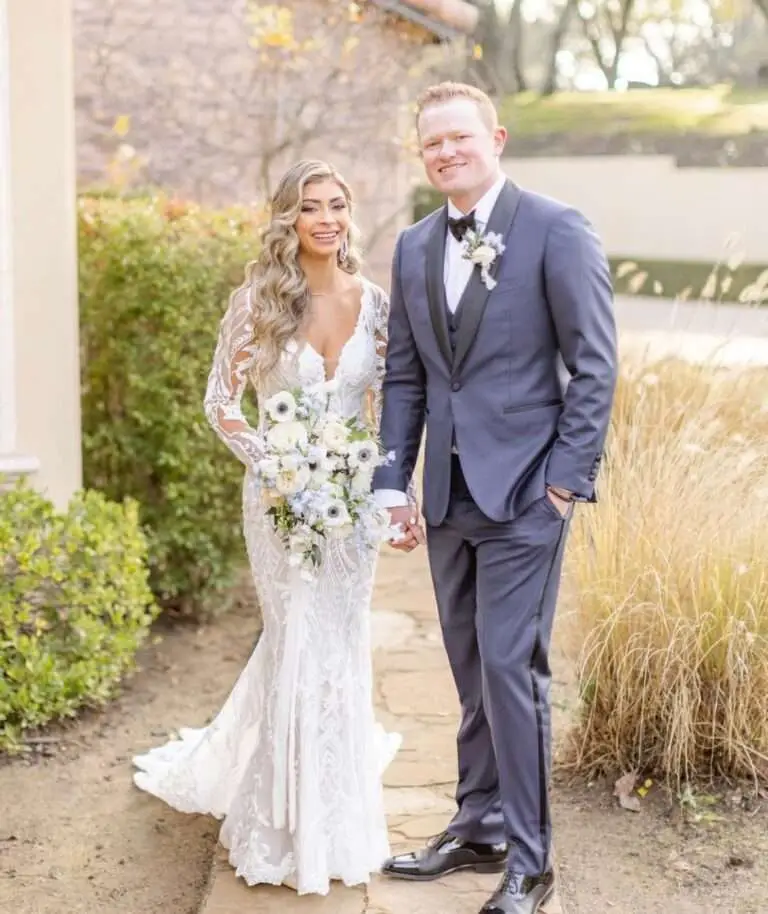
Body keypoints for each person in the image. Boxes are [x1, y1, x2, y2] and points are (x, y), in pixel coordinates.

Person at [372, 82, 618, 914]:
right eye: (431, 141)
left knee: (513, 669)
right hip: (445, 494)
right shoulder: (410, 246)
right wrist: (388, 482)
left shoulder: (556, 229)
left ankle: (531, 857)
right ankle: (475, 826)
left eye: (459, 137)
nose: (445, 152)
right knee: (472, 670)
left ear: (496, 138)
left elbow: (595, 367)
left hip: (525, 495)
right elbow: (406, 375)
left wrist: (561, 484)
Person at [132, 159, 401, 896]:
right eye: (309, 207)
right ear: (287, 219)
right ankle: (283, 829)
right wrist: (275, 460)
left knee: (339, 646)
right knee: (295, 639)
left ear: (349, 215)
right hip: (279, 500)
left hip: (348, 505)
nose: (325, 218)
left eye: (337, 205)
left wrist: (383, 485)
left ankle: (337, 820)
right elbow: (221, 402)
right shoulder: (257, 302)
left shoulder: (374, 303)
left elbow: (384, 407)